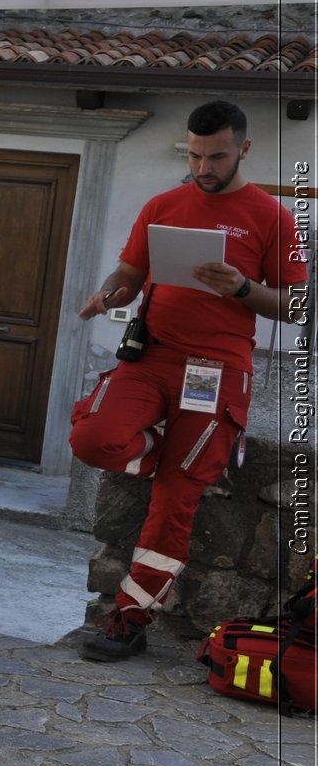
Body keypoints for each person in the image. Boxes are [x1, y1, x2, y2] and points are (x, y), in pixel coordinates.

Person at [71, 100, 307, 661]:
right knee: (93, 438)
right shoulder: (163, 204)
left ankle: (129, 619)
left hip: (218, 373)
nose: (204, 166)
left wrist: (241, 288)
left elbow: (297, 305)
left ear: (243, 150)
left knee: (176, 499)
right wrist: (111, 293)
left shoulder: (275, 218)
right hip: (151, 357)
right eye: (196, 154)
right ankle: (160, 448)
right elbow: (129, 272)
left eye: (217, 156)